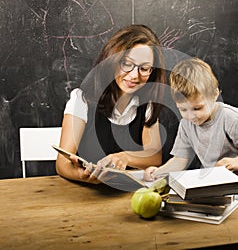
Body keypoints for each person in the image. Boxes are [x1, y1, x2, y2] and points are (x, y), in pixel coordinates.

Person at [144, 58, 238, 211]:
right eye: (183, 109)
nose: (191, 116)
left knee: (221, 212)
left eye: (197, 108)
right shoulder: (186, 125)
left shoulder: (230, 117)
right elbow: (180, 159)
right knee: (185, 206)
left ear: (214, 95)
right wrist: (158, 172)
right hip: (220, 185)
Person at [56, 24, 166, 184]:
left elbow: (154, 156)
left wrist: (125, 157)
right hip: (85, 196)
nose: (135, 76)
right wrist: (82, 176)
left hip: (127, 196)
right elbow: (62, 163)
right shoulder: (82, 99)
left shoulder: (147, 104)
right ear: (112, 60)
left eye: (144, 68)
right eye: (127, 64)